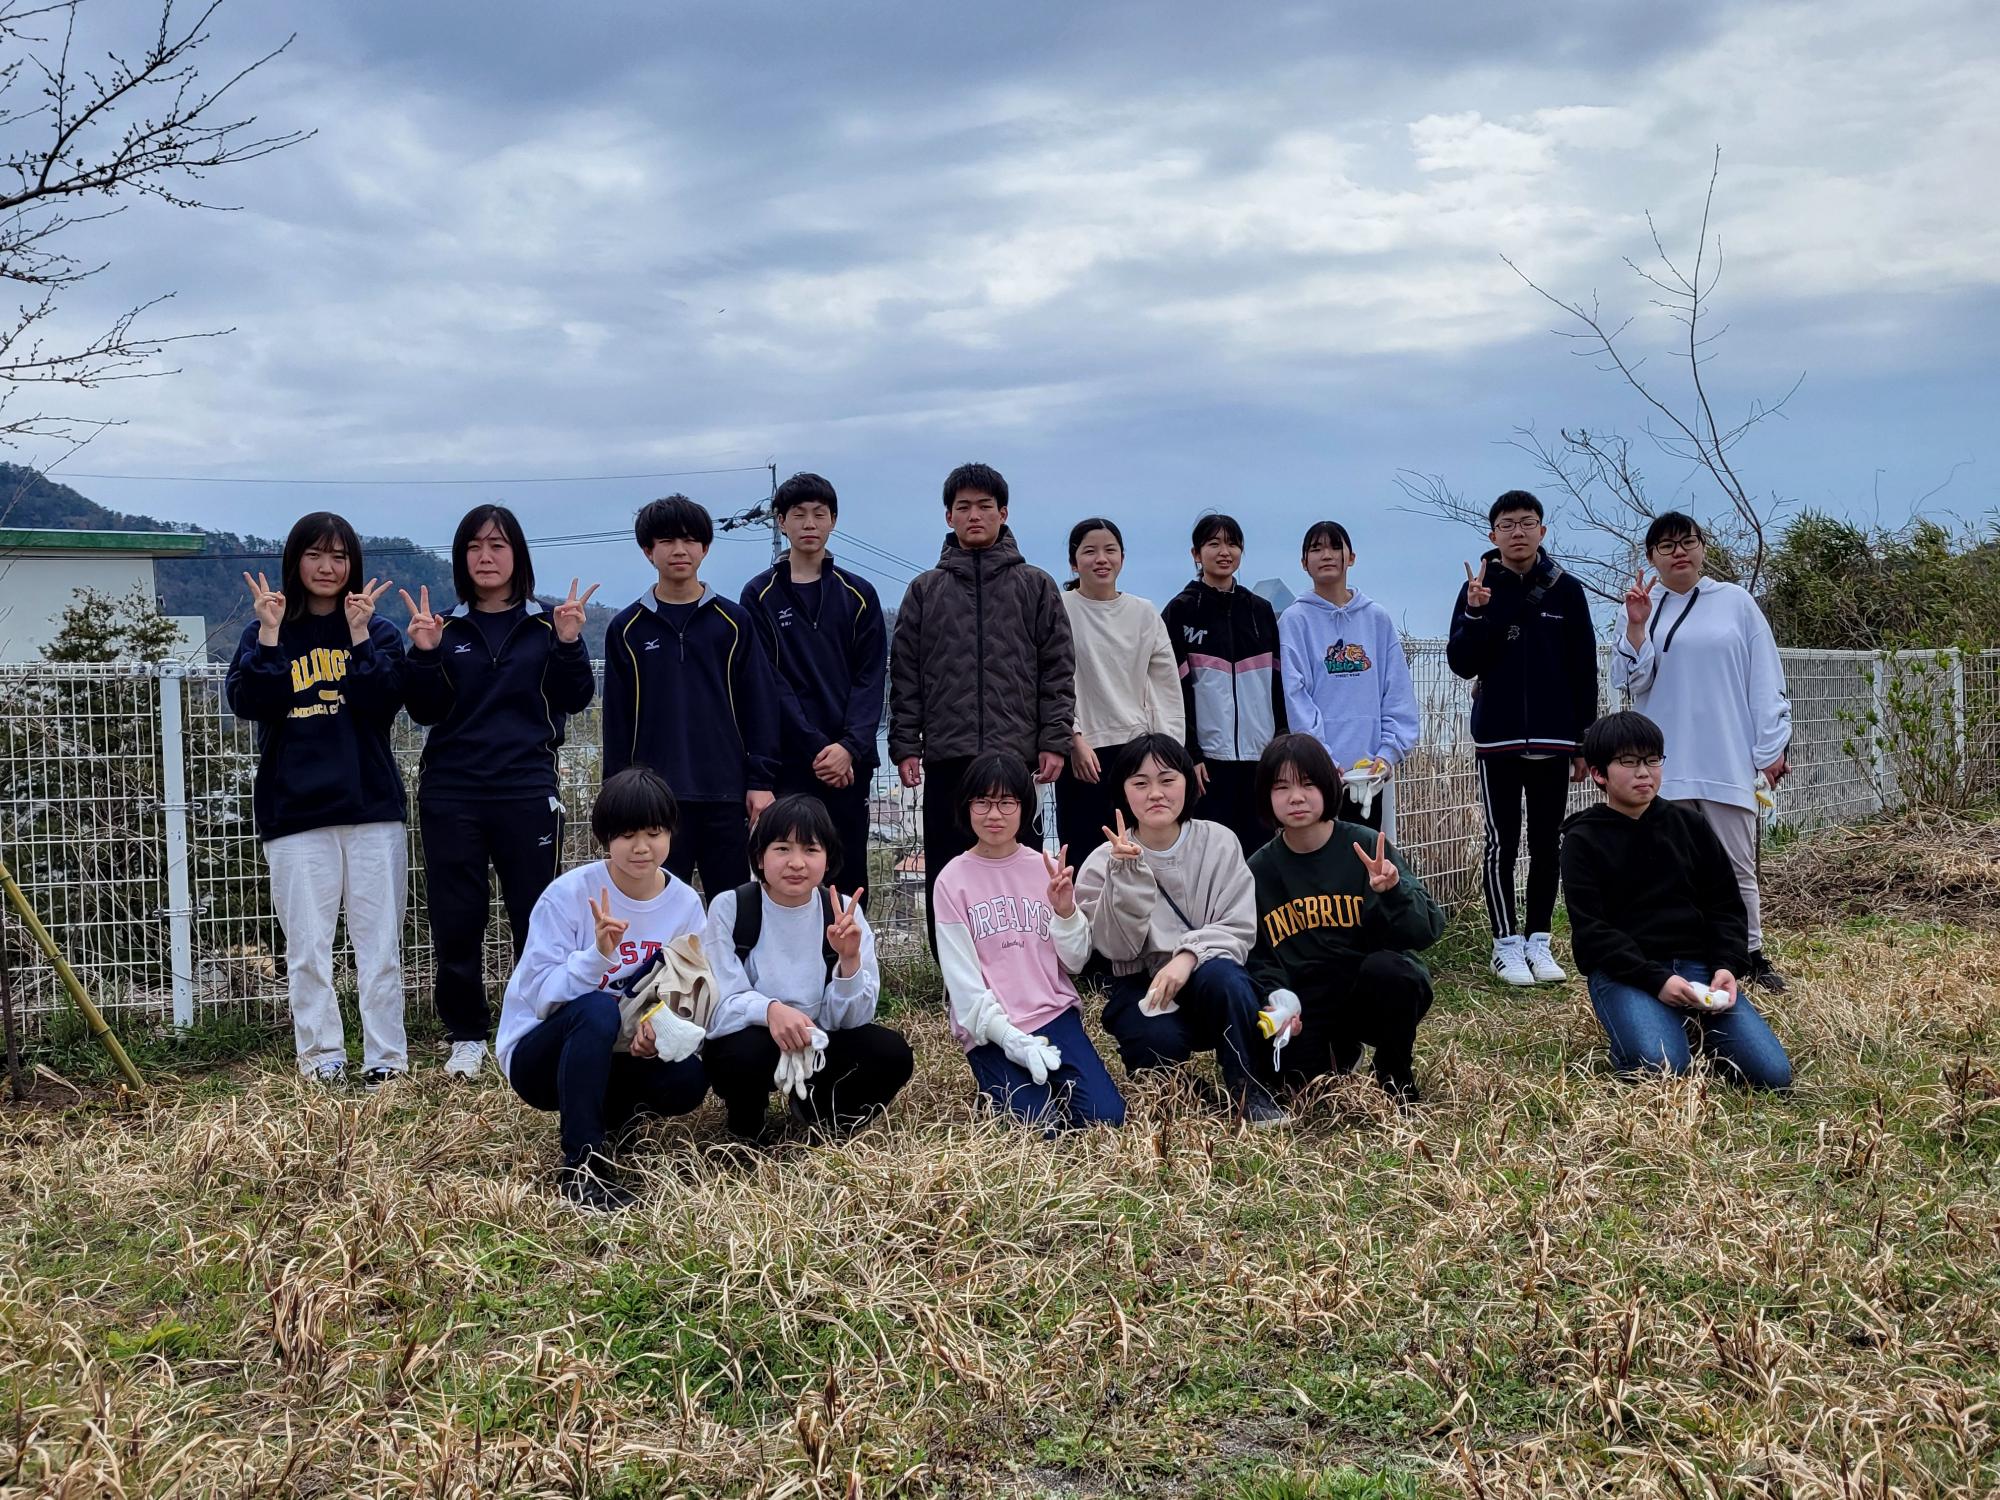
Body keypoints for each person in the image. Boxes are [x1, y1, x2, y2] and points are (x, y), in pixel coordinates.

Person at [401, 504, 598, 1079]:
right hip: (452, 791)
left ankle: (534, 1021)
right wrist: (425, 654)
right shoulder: (443, 626)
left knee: (536, 915)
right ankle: (466, 1034)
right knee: (456, 917)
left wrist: (569, 642)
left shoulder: (546, 625)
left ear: (518, 556)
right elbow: (424, 711)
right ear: (461, 557)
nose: (485, 557)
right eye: (474, 547)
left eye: (498, 545)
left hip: (526, 789)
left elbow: (575, 698)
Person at [226, 513, 408, 1089]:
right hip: (295, 813)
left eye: (339, 556)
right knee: (307, 947)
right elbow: (251, 702)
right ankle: (321, 1057)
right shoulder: (265, 630)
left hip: (372, 808)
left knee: (379, 945)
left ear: (353, 563)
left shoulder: (377, 631)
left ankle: (386, 1059)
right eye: (315, 555)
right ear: (295, 561)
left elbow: (384, 702)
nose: (327, 567)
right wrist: (270, 634)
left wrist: (359, 636)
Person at [496, 767, 711, 1211]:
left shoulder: (685, 904)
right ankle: (582, 1168)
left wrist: (658, 1027)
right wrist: (597, 956)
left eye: (654, 833)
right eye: (627, 835)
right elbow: (539, 995)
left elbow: (689, 986)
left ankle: (614, 1118)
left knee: (688, 1081)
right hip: (542, 1057)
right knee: (598, 1009)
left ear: (671, 833)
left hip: (623, 1048)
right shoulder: (568, 895)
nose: (641, 847)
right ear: (604, 837)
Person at [888, 463, 1075, 953]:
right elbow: (905, 675)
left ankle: (1029, 962)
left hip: (1017, 756)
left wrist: (1054, 740)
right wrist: (905, 744)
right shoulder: (925, 590)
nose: (975, 515)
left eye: (985, 506)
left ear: (1003, 513)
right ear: (948, 516)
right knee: (949, 867)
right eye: (964, 507)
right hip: (947, 755)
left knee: (1023, 866)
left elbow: (1057, 671)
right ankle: (954, 972)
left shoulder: (1036, 585)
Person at [1560, 712, 1793, 1088]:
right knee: (1660, 1069)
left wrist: (1726, 966)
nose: (1644, 772)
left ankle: (1690, 1025)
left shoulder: (1689, 825)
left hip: (1699, 969)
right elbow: (1593, 932)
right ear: (1600, 774)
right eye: (1629, 762)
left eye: (1652, 760)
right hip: (1626, 974)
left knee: (1772, 1074)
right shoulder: (1582, 840)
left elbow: (1725, 906)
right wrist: (1658, 980)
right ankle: (1650, 1030)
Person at [1611, 512, 1793, 989]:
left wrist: (1770, 747)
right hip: (1663, 764)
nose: (1679, 553)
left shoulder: (1735, 603)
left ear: (1702, 548)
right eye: (1666, 546)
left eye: (1688, 542)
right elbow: (1629, 681)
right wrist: (1636, 627)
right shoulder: (1642, 605)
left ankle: (1749, 954)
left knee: (1736, 865)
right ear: (1651, 557)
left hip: (1725, 756)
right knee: (1667, 866)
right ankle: (1680, 954)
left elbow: (1765, 677)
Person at [1074, 734, 1283, 1125]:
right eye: (1140, 783)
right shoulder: (1102, 861)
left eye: (1167, 780)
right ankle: (1190, 1090)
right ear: (1123, 792)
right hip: (1142, 982)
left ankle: (1249, 1090)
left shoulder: (1218, 842)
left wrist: (1188, 956)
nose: (1155, 793)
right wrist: (1125, 874)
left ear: (1189, 783)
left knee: (1227, 979)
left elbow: (1238, 926)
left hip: (1210, 974)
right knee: (1152, 1040)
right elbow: (1116, 948)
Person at [1445, 490, 1599, 989]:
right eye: (1507, 524)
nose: (1518, 532)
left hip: (1555, 738)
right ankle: (1505, 943)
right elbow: (1461, 663)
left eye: (1527, 522)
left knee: (1547, 842)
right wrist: (1475, 614)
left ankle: (1539, 940)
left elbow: (1584, 668)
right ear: (1493, 535)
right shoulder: (1477, 587)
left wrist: (1583, 742)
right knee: (1501, 842)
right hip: (1498, 738)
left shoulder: (1567, 590)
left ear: (1542, 530)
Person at [702, 794, 914, 1142]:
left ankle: (824, 1114)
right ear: (760, 856)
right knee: (739, 1053)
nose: (797, 863)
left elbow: (854, 1020)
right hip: (757, 1040)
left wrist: (849, 961)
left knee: (891, 1054)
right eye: (782, 849)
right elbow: (720, 1004)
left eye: (811, 849)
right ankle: (747, 1122)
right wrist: (770, 1011)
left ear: (828, 859)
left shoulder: (842, 913)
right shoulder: (733, 907)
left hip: (821, 1040)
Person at [933, 752, 1126, 1132]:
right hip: (992, 1029)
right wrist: (1009, 1038)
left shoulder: (1045, 868)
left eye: (1007, 802)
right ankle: (999, 1082)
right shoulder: (951, 881)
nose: (994, 814)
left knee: (1105, 1118)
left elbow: (1074, 962)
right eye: (982, 802)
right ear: (966, 807)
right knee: (1038, 1129)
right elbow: (964, 986)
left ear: (1024, 808)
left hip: (1052, 1015)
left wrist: (1066, 912)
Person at [1246, 734, 1443, 1103]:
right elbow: (1258, 957)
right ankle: (1341, 1053)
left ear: (1328, 786)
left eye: (1308, 784)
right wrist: (1280, 999)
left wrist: (1393, 890)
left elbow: (1428, 929)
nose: (1296, 797)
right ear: (1266, 797)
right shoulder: (1259, 870)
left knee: (1393, 974)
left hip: (1366, 988)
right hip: (1307, 1002)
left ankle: (1394, 1074)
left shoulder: (1366, 847)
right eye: (1281, 787)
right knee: (1292, 1087)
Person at [603, 494, 781, 898]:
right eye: (666, 541)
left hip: (727, 795)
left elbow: (760, 706)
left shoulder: (734, 622)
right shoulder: (626, 629)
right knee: (657, 910)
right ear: (648, 551)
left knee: (732, 909)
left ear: (705, 548)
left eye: (689, 540)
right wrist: (616, 793)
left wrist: (760, 780)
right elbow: (616, 720)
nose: (679, 550)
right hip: (654, 802)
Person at [739, 473, 887, 901]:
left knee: (848, 871)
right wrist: (818, 748)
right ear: (781, 521)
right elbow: (769, 682)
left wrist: (849, 747)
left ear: (833, 521)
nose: (809, 523)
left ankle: (849, 945)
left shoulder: (859, 594)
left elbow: (870, 678)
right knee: (788, 870)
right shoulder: (759, 595)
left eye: (819, 514)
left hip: (849, 765)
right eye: (798, 514)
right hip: (789, 761)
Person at [1057, 517, 1183, 870]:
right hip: (1082, 754)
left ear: (1122, 558)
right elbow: (1051, 680)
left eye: (1110, 550)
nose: (1101, 559)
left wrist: (1170, 751)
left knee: (1141, 855)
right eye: (1090, 551)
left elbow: (1166, 688)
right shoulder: (1060, 608)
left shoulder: (1144, 613)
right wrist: (1073, 737)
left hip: (1139, 753)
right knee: (1085, 858)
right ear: (1073, 562)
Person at [1277, 522, 1419, 831]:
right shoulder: (1295, 620)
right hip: (1316, 775)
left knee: (1365, 853)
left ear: (1350, 557)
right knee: (1319, 854)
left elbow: (1396, 691)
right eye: (1316, 549)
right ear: (1304, 563)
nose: (1326, 555)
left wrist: (1387, 754)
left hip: (1370, 773)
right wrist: (1322, 759)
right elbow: (1296, 695)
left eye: (1334, 547)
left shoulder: (1376, 618)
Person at [1161, 513, 1288, 858]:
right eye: (1213, 543)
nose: (1224, 551)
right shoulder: (1180, 611)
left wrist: (1280, 742)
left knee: (1259, 856)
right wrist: (1190, 753)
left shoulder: (1260, 611)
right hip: (1208, 763)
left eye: (1232, 544)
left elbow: (1278, 684)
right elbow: (1172, 692)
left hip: (1259, 758)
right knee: (1211, 856)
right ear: (1196, 553)